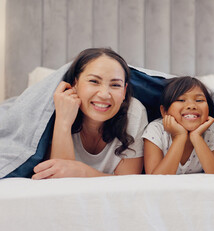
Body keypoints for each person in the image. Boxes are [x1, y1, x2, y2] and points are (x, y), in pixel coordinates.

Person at [32, 48, 147, 179]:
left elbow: (128, 183)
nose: (104, 94)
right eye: (94, 81)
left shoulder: (134, 113)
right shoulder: (54, 108)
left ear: (124, 91)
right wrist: (63, 121)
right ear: (75, 83)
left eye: (115, 85)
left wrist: (84, 172)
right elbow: (60, 182)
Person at [143, 77, 214, 174]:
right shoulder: (156, 130)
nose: (191, 105)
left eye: (199, 100)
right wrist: (180, 136)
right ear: (164, 111)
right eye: (181, 100)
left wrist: (196, 137)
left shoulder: (211, 129)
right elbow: (155, 180)